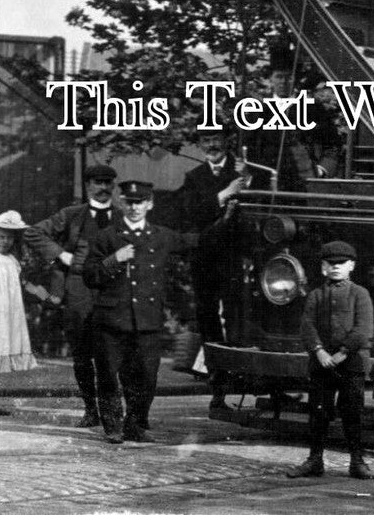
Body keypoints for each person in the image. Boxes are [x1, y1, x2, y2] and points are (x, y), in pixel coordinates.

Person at [83, 180, 189, 443]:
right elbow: (89, 275)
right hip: (111, 320)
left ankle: (135, 424)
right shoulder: (106, 236)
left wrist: (228, 215)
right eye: (129, 202)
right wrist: (113, 259)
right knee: (108, 375)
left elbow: (197, 241)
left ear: (149, 204)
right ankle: (113, 426)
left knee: (146, 377)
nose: (134, 208)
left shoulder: (161, 236)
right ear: (120, 203)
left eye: (139, 202)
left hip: (146, 321)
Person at [23, 163, 119, 427]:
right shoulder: (73, 215)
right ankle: (91, 409)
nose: (102, 188)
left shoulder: (122, 217)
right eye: (97, 183)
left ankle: (112, 414)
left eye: (107, 183)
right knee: (82, 354)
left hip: (112, 291)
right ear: (88, 185)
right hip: (79, 291)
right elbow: (34, 232)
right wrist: (61, 254)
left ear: (113, 186)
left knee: (110, 354)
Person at [286, 241, 374, 480]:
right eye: (331, 263)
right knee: (319, 412)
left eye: (342, 263)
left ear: (352, 266)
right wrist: (319, 351)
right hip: (322, 364)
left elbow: (363, 329)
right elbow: (307, 326)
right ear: (323, 267)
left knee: (352, 413)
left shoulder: (360, 294)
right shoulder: (316, 296)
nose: (336, 267)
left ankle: (357, 462)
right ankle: (315, 460)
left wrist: (342, 353)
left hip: (352, 363)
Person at [180, 130, 250, 411]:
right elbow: (192, 214)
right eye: (205, 140)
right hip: (206, 261)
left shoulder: (243, 170)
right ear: (199, 145)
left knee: (240, 319)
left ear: (227, 142)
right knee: (209, 322)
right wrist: (226, 194)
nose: (211, 145)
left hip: (236, 260)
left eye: (216, 139)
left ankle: (251, 379)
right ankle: (217, 388)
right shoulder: (194, 177)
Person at [240, 45, 341, 193]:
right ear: (270, 79)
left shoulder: (314, 109)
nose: (283, 82)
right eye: (279, 77)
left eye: (288, 76)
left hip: (307, 186)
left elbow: (333, 146)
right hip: (268, 189)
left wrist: (321, 170)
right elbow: (248, 153)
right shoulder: (257, 112)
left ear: (295, 79)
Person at [0, 211, 38, 416]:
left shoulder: (11, 260)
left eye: (9, 237)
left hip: (6, 315)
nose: (6, 241)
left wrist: (46, 297)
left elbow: (21, 286)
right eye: (2, 236)